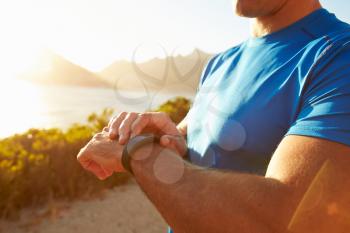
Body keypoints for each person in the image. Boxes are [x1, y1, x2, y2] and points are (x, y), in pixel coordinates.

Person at [77, 0, 350, 232]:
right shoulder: (220, 62)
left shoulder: (339, 55)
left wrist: (139, 153)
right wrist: (167, 141)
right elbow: (203, 148)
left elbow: (288, 219)